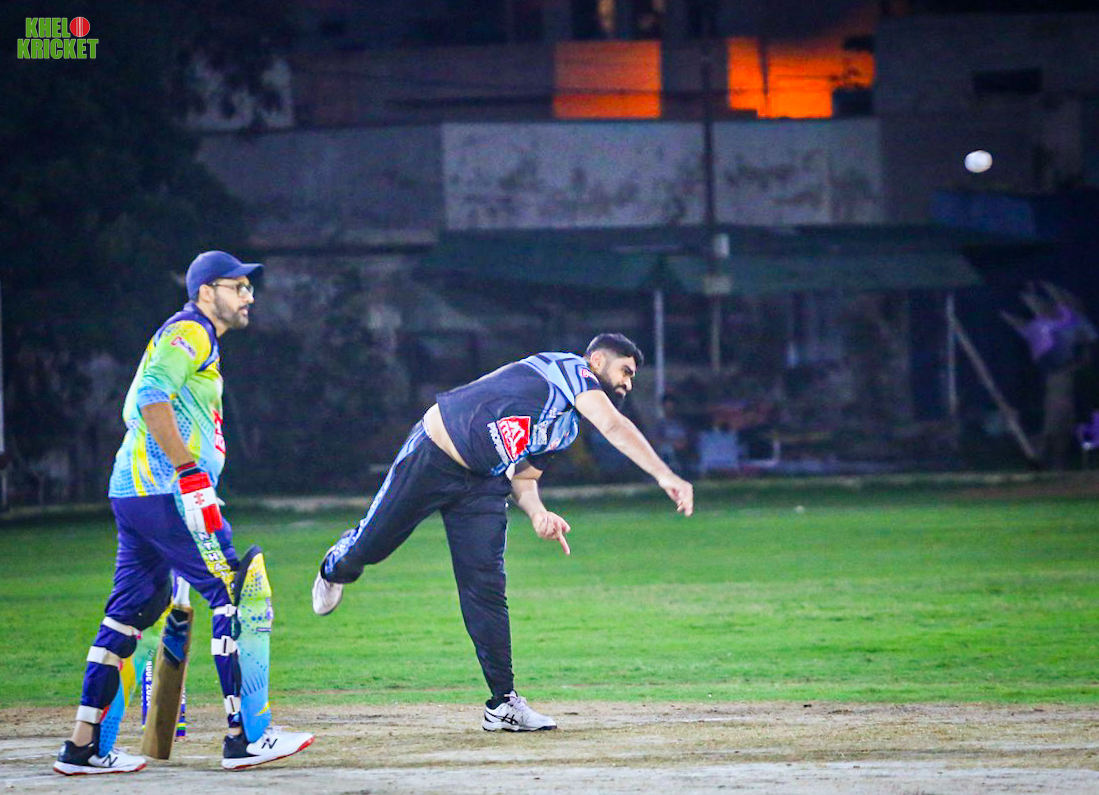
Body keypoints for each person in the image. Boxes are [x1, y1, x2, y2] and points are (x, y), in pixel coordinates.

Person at [312, 333, 694, 731]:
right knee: (371, 545)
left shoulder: (565, 429)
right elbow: (612, 424)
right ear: (596, 361)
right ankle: (334, 567)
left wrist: (538, 513)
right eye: (625, 371)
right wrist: (664, 474)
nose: (629, 383)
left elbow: (524, 478)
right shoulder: (568, 368)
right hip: (434, 454)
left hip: (483, 483)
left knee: (487, 589)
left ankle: (503, 703)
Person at [53, 251, 314, 775]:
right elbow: (151, 397)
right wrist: (190, 472)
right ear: (206, 291)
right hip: (168, 492)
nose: (249, 296)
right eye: (238, 287)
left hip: (138, 493)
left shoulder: (198, 337)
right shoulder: (190, 331)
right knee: (231, 592)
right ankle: (244, 738)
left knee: (129, 613)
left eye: (249, 288)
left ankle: (82, 748)